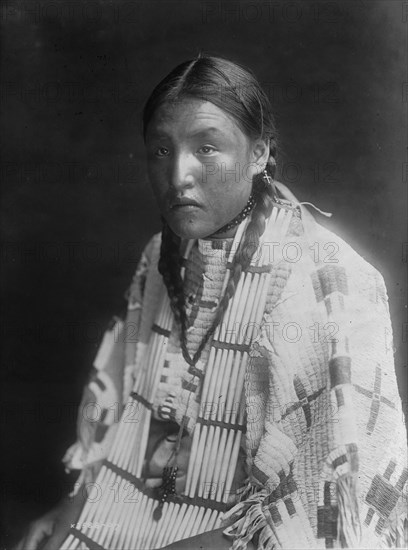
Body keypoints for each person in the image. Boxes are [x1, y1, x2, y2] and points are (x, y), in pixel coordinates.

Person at [16, 55, 407, 550]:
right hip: (129, 510)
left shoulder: (327, 279)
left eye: (206, 147)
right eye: (161, 149)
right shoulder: (162, 256)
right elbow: (123, 411)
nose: (178, 174)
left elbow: (332, 499)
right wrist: (72, 510)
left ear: (259, 153)